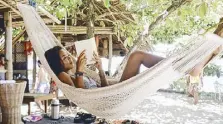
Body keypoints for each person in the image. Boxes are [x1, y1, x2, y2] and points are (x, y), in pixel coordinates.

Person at [44, 45, 222, 89]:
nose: (69, 57)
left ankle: (189, 65)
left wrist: (99, 69)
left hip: (111, 91)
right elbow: (82, 96)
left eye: (68, 54)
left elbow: (102, 88)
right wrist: (80, 69)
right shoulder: (62, 76)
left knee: (138, 56)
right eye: (64, 57)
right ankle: (188, 67)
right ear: (57, 62)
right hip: (112, 95)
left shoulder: (74, 73)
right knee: (137, 56)